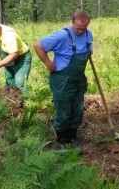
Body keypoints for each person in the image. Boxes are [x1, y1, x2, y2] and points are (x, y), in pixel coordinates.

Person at [34, 10, 93, 149]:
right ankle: (61, 140)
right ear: (72, 23)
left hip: (78, 79)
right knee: (63, 111)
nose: (80, 31)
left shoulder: (88, 34)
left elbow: (89, 50)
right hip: (62, 80)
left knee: (77, 110)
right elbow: (38, 45)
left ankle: (73, 137)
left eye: (83, 29)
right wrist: (48, 64)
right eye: (78, 28)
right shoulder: (62, 35)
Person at [0, 19, 32, 94]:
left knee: (20, 83)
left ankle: (27, 103)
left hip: (21, 59)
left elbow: (14, 55)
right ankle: (14, 102)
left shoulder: (9, 36)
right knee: (10, 83)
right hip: (8, 60)